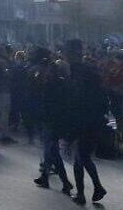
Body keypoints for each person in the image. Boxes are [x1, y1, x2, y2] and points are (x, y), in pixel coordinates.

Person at [62, 39, 107, 206]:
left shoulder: (75, 72)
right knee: (83, 156)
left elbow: (74, 98)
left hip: (82, 119)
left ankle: (83, 193)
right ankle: (96, 187)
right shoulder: (91, 69)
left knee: (80, 157)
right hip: (93, 119)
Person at [32, 48, 73, 194]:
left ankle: (64, 181)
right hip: (53, 119)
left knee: (52, 150)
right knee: (51, 151)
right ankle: (47, 177)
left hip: (51, 120)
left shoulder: (52, 86)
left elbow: (47, 102)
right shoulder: (59, 84)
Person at [102, 49, 123, 142]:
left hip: (120, 92)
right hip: (114, 91)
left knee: (118, 112)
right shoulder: (117, 66)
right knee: (116, 111)